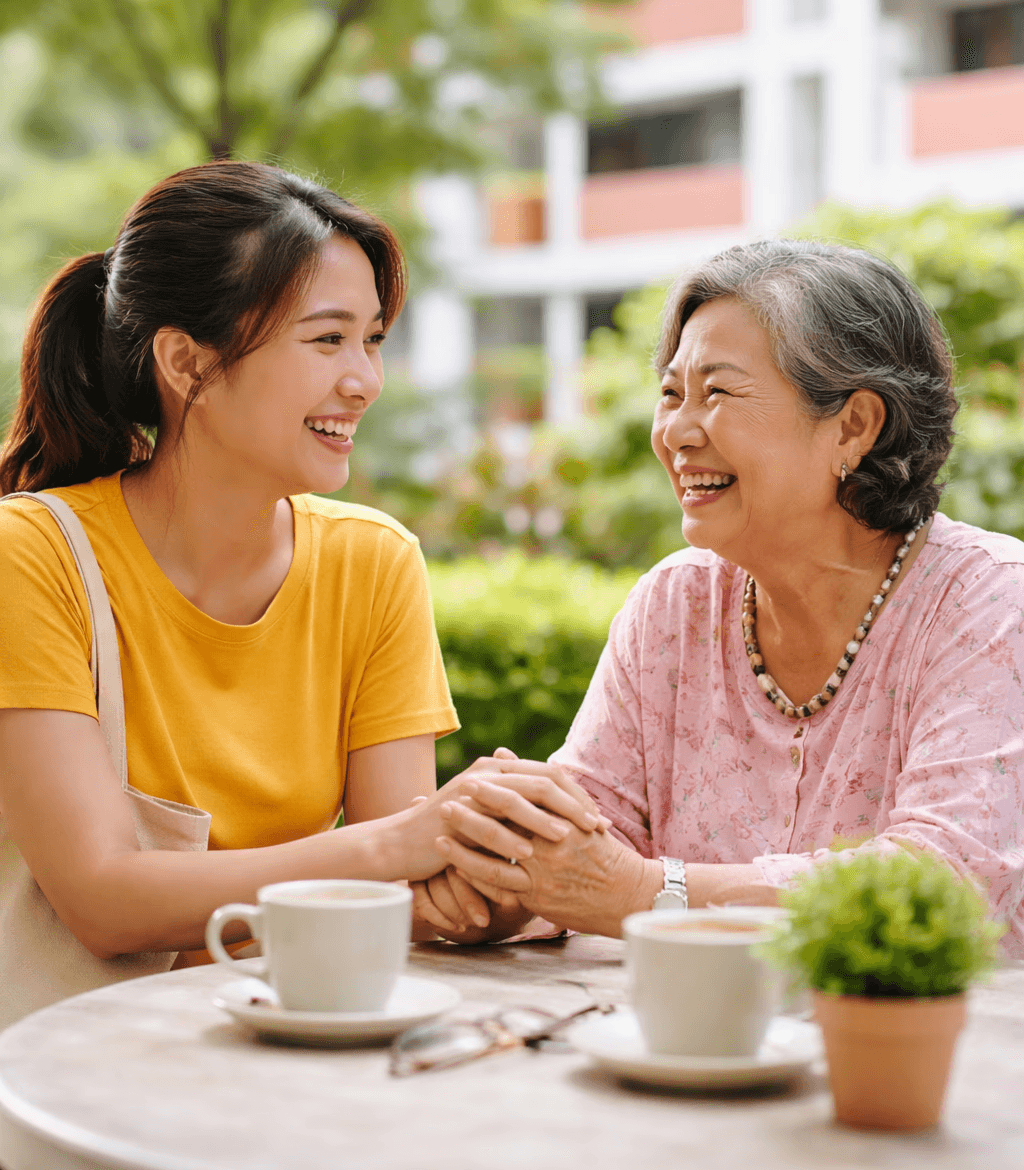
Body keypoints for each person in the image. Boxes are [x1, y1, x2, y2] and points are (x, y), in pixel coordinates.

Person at [0, 160, 602, 1025]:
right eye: (327, 339)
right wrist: (400, 844)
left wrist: (495, 857)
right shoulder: (34, 553)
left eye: (373, 339)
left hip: (292, 1033)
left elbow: (408, 884)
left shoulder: (374, 563)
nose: (364, 380)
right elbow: (103, 900)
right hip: (73, 1066)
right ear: (186, 362)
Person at [433, 239, 1024, 956]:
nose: (676, 432)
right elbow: (593, 835)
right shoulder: (675, 606)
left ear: (854, 425)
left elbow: (949, 881)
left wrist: (647, 894)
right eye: (672, 393)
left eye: (717, 392)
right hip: (689, 1046)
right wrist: (508, 870)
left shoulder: (992, 603)